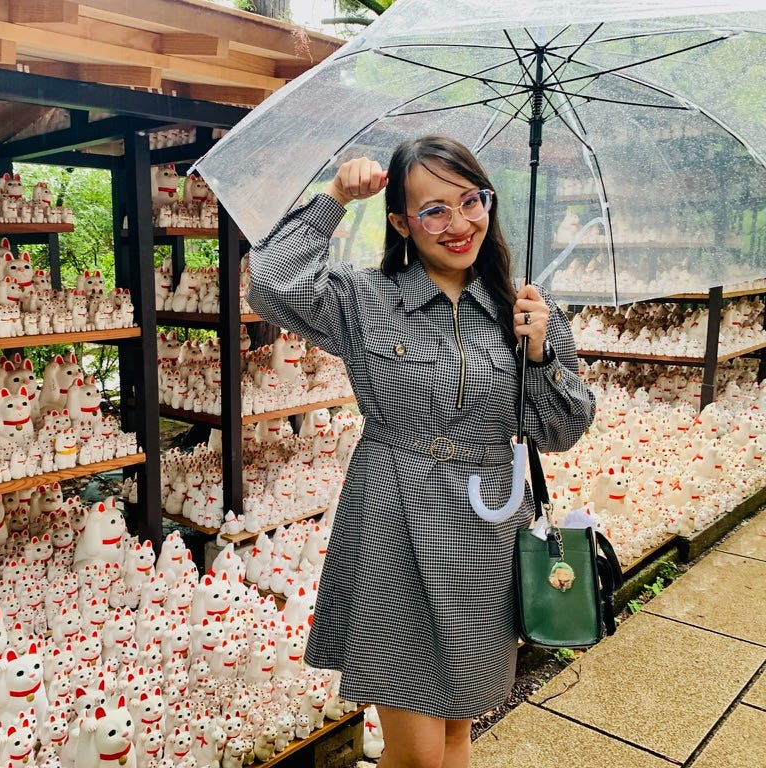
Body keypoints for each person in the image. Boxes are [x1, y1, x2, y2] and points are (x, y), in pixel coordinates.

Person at [246, 135, 596, 768]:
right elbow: (271, 287)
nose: (459, 224)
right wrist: (335, 199)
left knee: (459, 730)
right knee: (418, 754)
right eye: (434, 209)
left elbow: (563, 429)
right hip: (393, 524)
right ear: (403, 222)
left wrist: (541, 352)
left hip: (486, 534)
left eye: (471, 200)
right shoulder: (366, 300)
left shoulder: (526, 311)